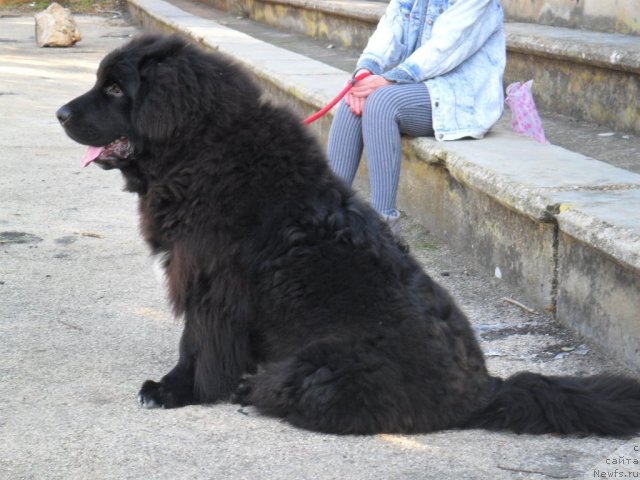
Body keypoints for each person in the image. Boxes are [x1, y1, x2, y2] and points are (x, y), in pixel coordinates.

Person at [327, 0, 506, 230]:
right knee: (354, 99)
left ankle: (384, 231)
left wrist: (389, 79)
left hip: (460, 97)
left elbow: (446, 47)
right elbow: (391, 28)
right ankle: (325, 220)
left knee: (382, 102)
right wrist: (366, 70)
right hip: (418, 84)